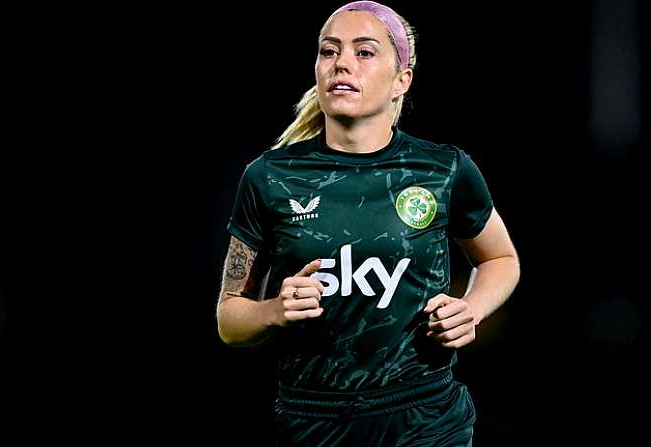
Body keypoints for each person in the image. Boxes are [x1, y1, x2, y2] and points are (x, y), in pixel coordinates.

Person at [216, 2, 520, 445]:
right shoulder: (269, 178)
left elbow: (501, 257)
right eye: (328, 50)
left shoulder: (442, 169)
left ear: (402, 80)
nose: (341, 63)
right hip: (312, 421)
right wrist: (274, 310)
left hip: (425, 417)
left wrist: (470, 307)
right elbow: (229, 319)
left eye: (364, 52)